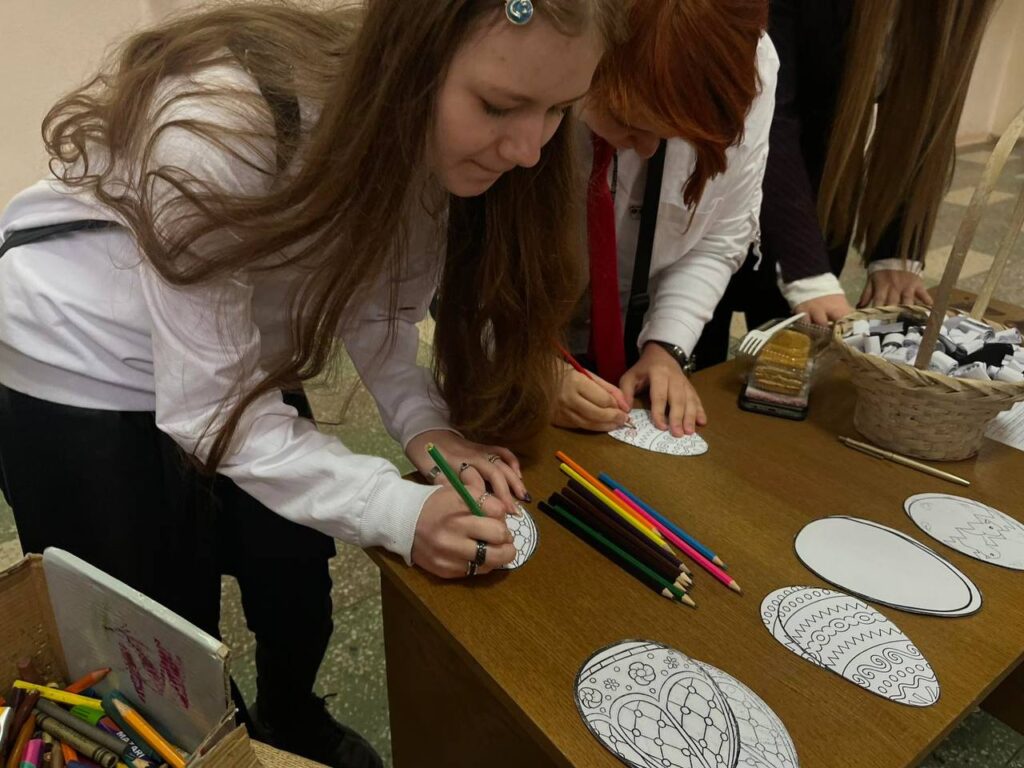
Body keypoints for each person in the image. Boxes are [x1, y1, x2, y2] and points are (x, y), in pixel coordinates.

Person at [0, 1, 624, 766]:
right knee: (161, 636)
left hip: (237, 352)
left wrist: (428, 427)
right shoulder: (218, 121)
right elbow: (210, 411)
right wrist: (395, 508)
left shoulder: (429, 139)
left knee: (293, 571)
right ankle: (217, 740)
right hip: (82, 358)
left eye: (558, 110)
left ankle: (289, 714)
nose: (529, 151)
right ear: (411, 59)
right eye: (498, 106)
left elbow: (379, 311)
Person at [692, 0, 998, 366]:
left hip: (820, 196)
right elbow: (768, 111)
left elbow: (918, 122)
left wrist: (895, 249)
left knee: (788, 371)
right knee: (694, 350)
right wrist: (806, 269)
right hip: (718, 182)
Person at [551, 0, 773, 437]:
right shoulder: (550, 36)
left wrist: (667, 345)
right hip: (511, 342)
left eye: (672, 136)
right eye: (626, 122)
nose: (648, 149)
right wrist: (520, 364)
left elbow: (720, 234)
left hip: (631, 344)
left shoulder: (748, 66)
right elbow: (464, 257)